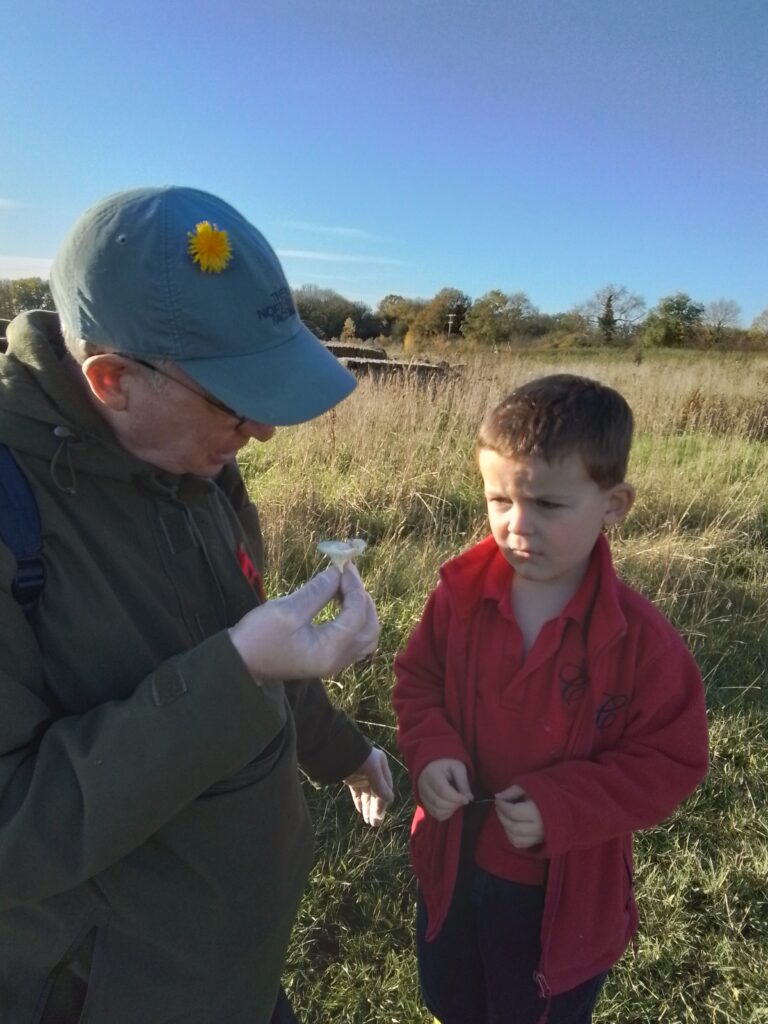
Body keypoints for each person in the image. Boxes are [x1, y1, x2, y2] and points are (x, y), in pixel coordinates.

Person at [0, 186, 394, 1024]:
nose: (263, 431)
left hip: (234, 976)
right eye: (231, 398)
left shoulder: (198, 465)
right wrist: (234, 670)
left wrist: (344, 751)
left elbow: (256, 652)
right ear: (112, 380)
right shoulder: (12, 510)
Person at [392, 374, 708, 1024]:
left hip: (559, 902)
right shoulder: (457, 596)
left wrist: (563, 806)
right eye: (499, 499)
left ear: (614, 504)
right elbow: (417, 682)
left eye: (548, 505)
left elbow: (672, 760)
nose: (517, 526)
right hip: (453, 864)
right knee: (454, 998)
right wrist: (432, 752)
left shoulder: (641, 642)